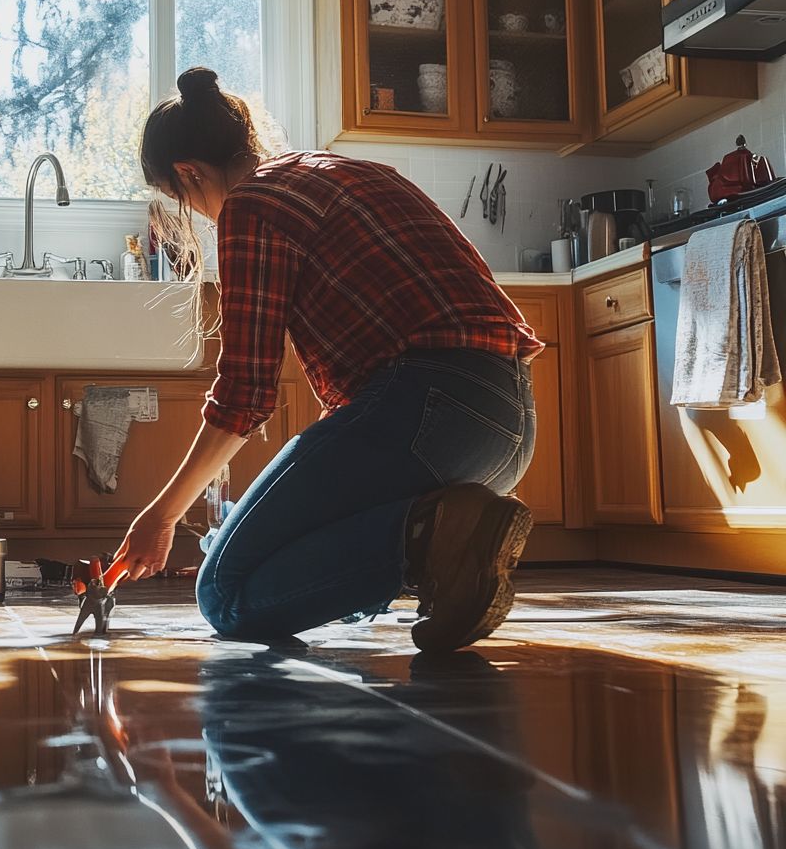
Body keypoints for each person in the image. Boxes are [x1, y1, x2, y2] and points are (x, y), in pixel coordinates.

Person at [111, 67, 543, 653]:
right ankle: (441, 541)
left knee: (226, 595)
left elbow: (246, 394)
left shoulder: (253, 204)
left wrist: (161, 517)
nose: (199, 216)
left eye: (180, 198)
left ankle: (427, 537)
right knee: (271, 538)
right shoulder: (352, 169)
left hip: (428, 411)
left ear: (190, 172)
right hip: (507, 427)